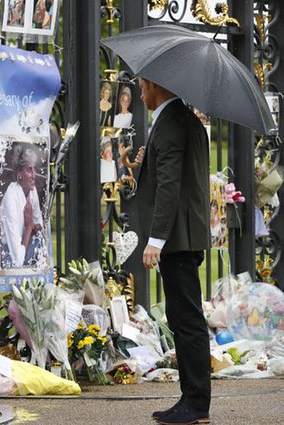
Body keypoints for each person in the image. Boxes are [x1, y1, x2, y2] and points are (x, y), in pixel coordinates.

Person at [135, 77, 210, 425]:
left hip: (177, 240)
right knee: (186, 318)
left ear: (153, 84)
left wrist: (156, 240)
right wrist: (142, 166)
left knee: (186, 320)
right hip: (186, 236)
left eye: (141, 85)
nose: (139, 92)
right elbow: (172, 175)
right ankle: (192, 399)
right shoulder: (186, 118)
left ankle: (195, 403)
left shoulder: (170, 122)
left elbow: (170, 186)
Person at [0, 144, 45, 269]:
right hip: (10, 256)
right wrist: (29, 226)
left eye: (34, 169)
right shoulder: (11, 198)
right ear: (19, 172)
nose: (34, 175)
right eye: (29, 170)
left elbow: (39, 224)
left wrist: (34, 226)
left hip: (25, 246)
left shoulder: (31, 190)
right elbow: (18, 260)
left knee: (41, 242)